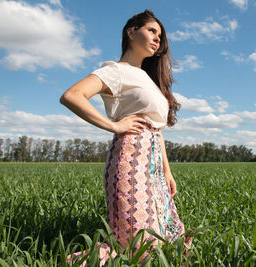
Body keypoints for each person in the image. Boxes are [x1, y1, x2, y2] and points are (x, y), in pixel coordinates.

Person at [60, 9, 192, 266]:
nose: (157, 39)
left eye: (160, 36)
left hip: (153, 165)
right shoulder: (116, 71)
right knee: (137, 245)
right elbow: (72, 96)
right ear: (132, 32)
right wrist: (114, 125)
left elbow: (157, 128)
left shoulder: (149, 80)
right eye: (151, 31)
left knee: (164, 238)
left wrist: (167, 171)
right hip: (130, 159)